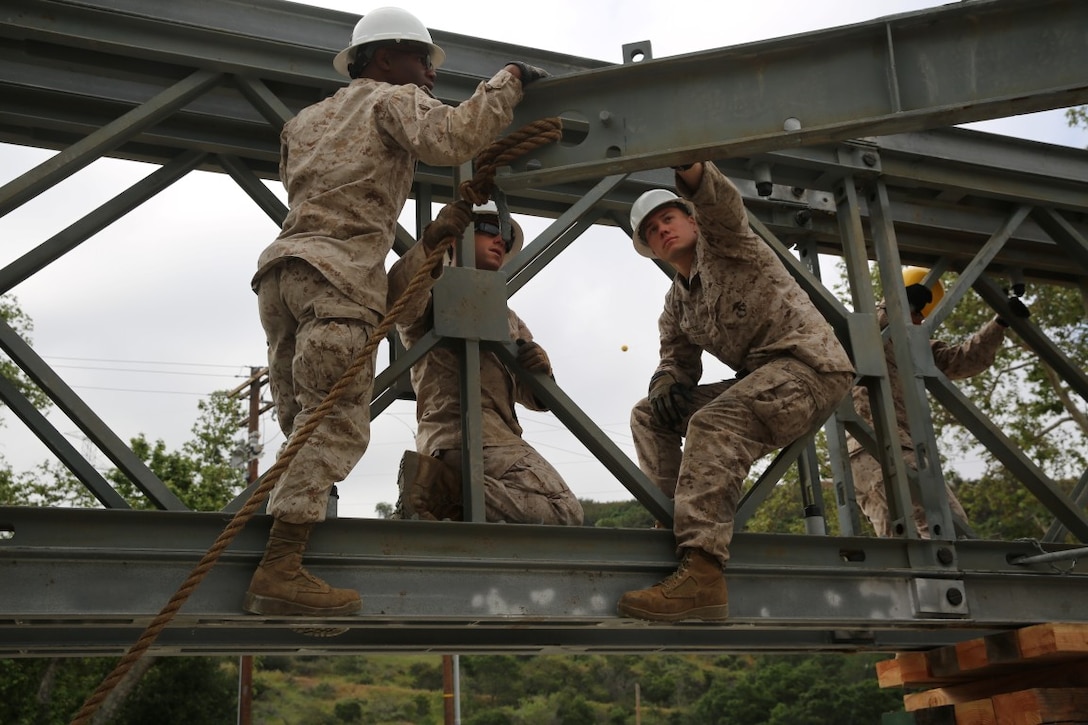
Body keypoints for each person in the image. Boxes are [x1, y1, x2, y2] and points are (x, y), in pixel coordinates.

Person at [244, 6, 549, 618]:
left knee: (300, 422)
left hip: (281, 280)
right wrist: (509, 79)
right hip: (338, 284)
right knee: (333, 426)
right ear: (385, 59)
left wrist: (440, 233)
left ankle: (278, 538)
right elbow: (455, 138)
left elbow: (343, 219)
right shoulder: (390, 99)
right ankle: (280, 568)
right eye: (423, 61)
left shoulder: (303, 123)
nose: (431, 76)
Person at [617, 161, 855, 622]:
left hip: (810, 370)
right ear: (648, 248)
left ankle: (703, 573)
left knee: (715, 421)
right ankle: (671, 525)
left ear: (690, 219)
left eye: (669, 217)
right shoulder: (677, 306)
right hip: (763, 383)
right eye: (651, 229)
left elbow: (722, 206)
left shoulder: (727, 245)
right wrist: (665, 381)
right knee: (649, 413)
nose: (662, 229)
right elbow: (676, 363)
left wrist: (692, 168)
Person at [387, 201, 584, 525]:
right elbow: (399, 302)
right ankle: (441, 491)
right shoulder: (433, 290)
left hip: (497, 440)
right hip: (458, 435)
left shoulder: (508, 317)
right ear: (455, 240)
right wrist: (430, 246)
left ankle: (440, 495)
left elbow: (533, 396)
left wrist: (542, 368)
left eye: (505, 234)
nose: (501, 240)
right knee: (564, 512)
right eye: (490, 229)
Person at [847, 266, 1030, 538]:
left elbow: (960, 361)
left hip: (867, 458)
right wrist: (895, 303)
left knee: (901, 549)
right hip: (883, 445)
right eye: (918, 312)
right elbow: (865, 331)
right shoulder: (870, 326)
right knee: (948, 526)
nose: (921, 320)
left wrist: (999, 324)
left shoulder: (914, 343)